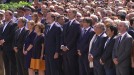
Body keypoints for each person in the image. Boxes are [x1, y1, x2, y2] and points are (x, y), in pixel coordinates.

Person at [61, 8, 81, 75]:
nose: (68, 13)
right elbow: (63, 36)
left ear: (74, 14)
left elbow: (75, 37)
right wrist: (62, 45)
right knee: (66, 68)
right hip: (64, 50)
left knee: (72, 68)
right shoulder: (66, 24)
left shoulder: (77, 24)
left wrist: (67, 47)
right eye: (68, 12)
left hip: (71, 49)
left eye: (70, 12)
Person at [0, 10, 17, 75]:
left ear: (11, 16)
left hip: (9, 47)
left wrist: (4, 40)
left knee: (12, 64)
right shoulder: (3, 24)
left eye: (7, 15)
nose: (5, 16)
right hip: (3, 47)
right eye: (5, 15)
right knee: (6, 63)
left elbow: (12, 34)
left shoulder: (13, 24)